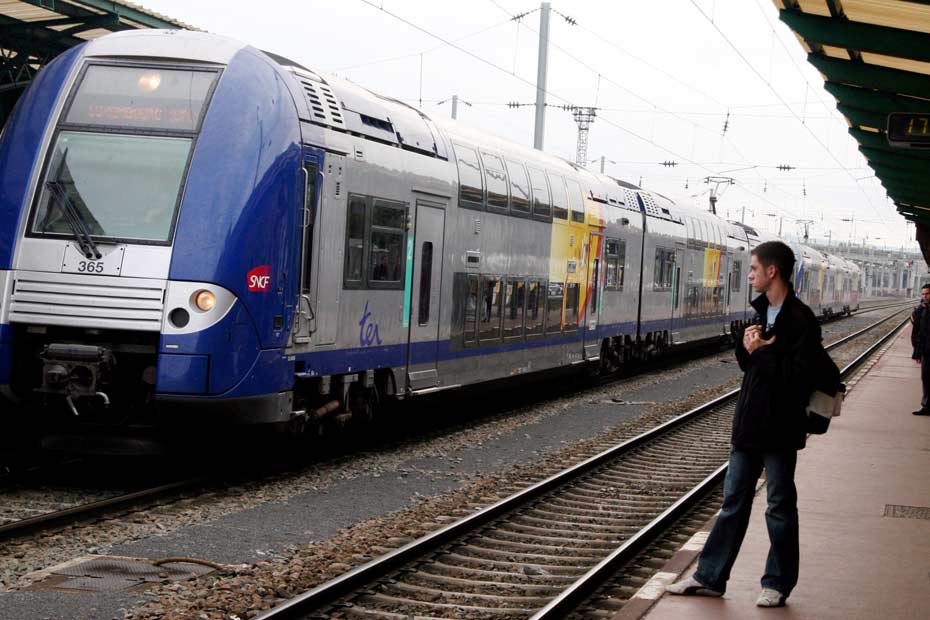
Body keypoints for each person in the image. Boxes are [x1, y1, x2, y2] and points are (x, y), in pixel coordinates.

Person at [666, 241, 822, 608]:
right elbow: (750, 366)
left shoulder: (800, 321)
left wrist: (761, 353)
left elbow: (799, 378)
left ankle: (777, 583)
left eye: (753, 269)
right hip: (749, 425)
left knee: (779, 507)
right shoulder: (760, 311)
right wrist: (746, 346)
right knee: (733, 502)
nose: (749, 275)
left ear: (772, 272)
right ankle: (709, 577)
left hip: (781, 428)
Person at [910, 284, 930, 416]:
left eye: (927, 294)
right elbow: (916, 333)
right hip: (926, 352)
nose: (924, 297)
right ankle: (926, 406)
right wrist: (917, 353)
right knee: (926, 378)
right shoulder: (921, 311)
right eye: (923, 294)